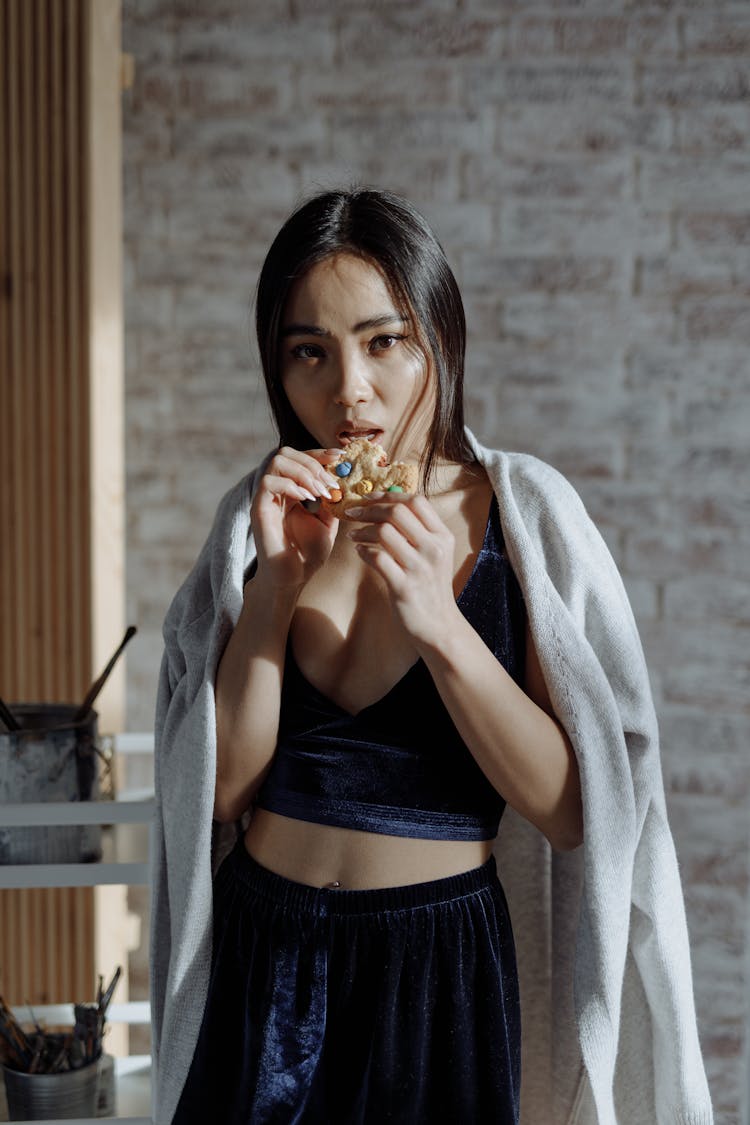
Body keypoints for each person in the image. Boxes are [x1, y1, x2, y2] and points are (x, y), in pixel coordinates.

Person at [151, 189, 713, 1125]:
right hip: (264, 954)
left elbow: (577, 810)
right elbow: (217, 794)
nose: (348, 391)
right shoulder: (263, 517)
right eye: (309, 352)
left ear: (439, 339)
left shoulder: (520, 515)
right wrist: (273, 596)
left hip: (436, 974)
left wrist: (440, 624)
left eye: (384, 342)